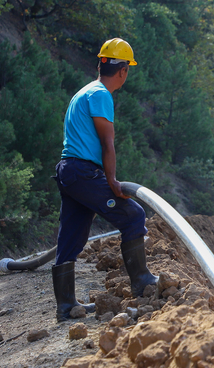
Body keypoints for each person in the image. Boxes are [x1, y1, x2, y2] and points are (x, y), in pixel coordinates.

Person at [51, 38, 160, 322]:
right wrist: (112, 181)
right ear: (123, 71)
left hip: (69, 170)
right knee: (134, 215)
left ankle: (65, 307)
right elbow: (107, 143)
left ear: (101, 63)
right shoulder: (101, 95)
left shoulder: (82, 93)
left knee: (71, 235)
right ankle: (142, 282)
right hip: (83, 172)